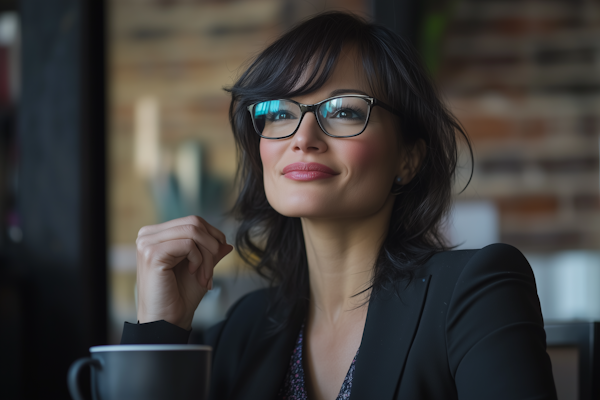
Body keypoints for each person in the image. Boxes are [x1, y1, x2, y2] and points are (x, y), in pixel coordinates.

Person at [121, 11, 557, 400]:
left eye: (345, 111)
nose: (302, 138)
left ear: (409, 156)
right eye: (278, 111)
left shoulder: (477, 291)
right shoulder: (244, 328)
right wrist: (158, 330)